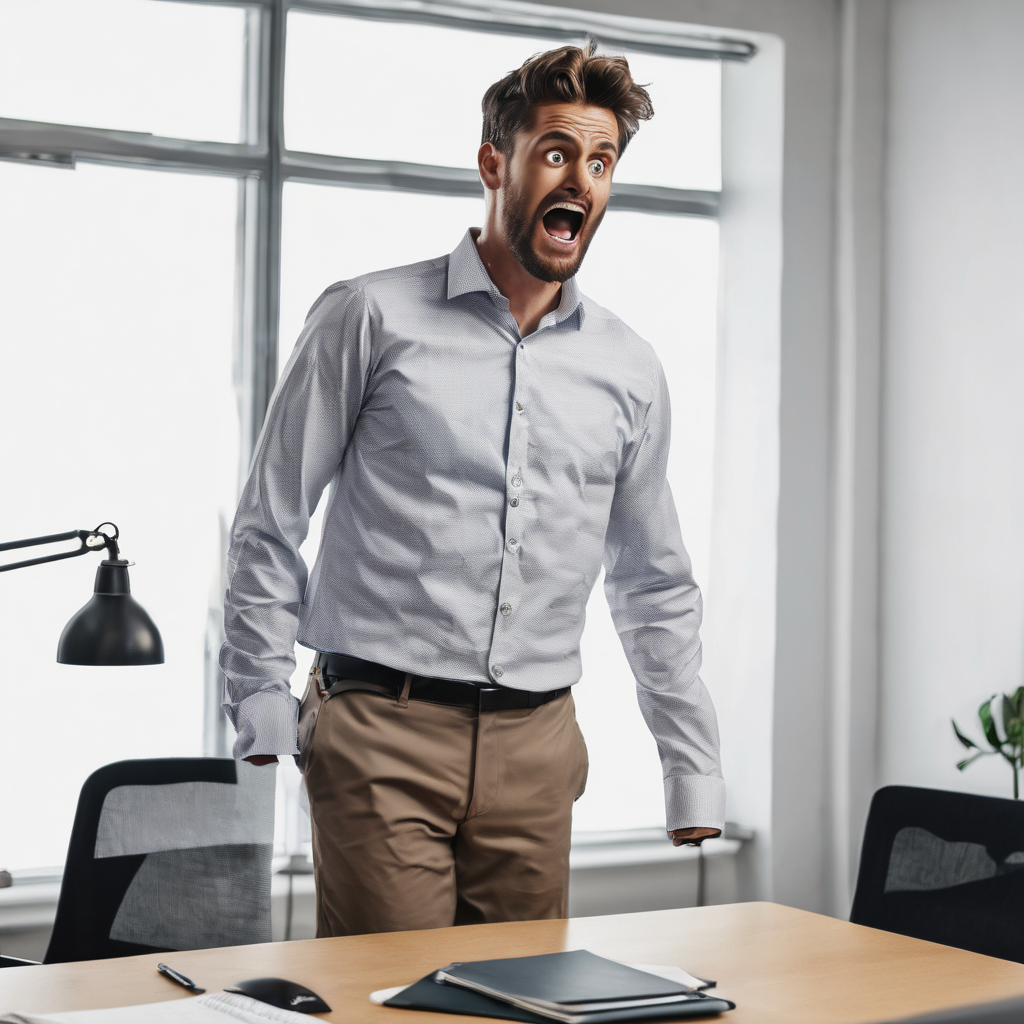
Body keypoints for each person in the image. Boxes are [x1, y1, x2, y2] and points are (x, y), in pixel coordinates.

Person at [220, 41, 725, 937]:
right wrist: (259, 696)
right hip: (381, 729)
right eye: (559, 152)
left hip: (539, 747)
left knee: (523, 1000)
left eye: (601, 161)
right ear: (496, 163)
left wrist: (691, 766)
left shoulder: (630, 368)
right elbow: (270, 520)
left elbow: (652, 580)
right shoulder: (369, 316)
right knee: (393, 997)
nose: (583, 178)